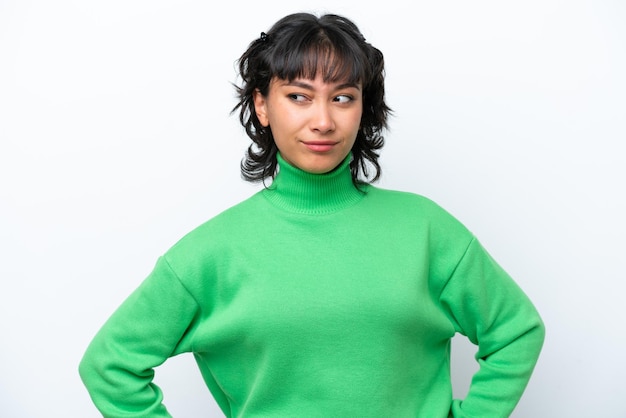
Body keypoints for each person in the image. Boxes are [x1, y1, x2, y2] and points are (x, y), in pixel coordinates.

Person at [79, 12, 545, 418]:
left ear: (364, 108)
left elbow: (516, 332)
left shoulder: (426, 229)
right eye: (299, 96)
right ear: (262, 105)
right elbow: (110, 365)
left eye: (342, 97)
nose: (323, 120)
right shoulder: (209, 253)